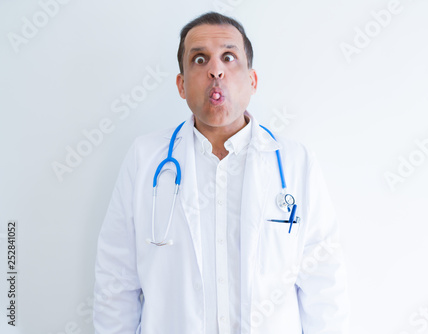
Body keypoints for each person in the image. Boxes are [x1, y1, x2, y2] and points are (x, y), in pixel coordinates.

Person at [93, 11, 349, 334]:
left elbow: (325, 290)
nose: (216, 70)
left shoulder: (297, 164)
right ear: (181, 85)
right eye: (200, 60)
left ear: (252, 80)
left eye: (229, 57)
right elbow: (115, 285)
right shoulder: (143, 161)